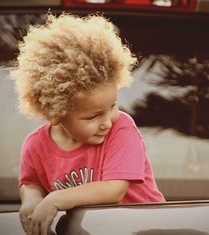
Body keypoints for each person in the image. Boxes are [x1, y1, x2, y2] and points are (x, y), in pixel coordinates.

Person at [10, 13, 165, 235]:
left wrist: (54, 200)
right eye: (92, 116)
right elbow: (30, 182)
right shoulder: (36, 145)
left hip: (144, 229)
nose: (107, 122)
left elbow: (114, 189)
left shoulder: (121, 129)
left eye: (112, 106)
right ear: (55, 114)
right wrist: (32, 200)